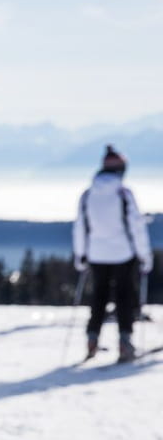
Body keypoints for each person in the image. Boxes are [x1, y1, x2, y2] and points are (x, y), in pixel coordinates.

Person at [73, 144, 152, 362]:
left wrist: (80, 254)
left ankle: (92, 337)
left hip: (96, 254)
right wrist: (144, 255)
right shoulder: (123, 194)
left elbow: (81, 227)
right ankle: (125, 341)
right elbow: (136, 227)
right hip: (123, 253)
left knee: (98, 297)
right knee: (124, 297)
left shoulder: (88, 195)